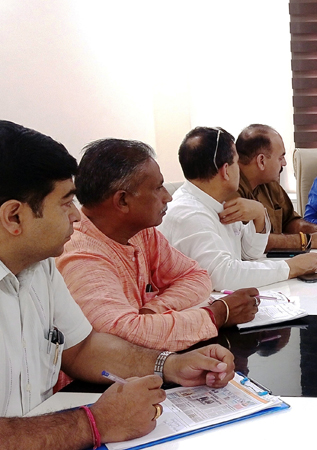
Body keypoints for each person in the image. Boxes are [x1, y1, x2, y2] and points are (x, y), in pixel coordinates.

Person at [0, 120, 237, 449]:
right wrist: (95, 422)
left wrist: (170, 365)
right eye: (66, 203)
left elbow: (82, 348)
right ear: (14, 217)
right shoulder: (73, 256)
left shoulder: (40, 267)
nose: (77, 217)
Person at [56, 139, 258, 352]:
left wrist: (153, 310)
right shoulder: (81, 254)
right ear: (122, 201)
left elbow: (196, 276)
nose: (168, 197)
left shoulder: (141, 232)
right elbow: (121, 336)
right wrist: (217, 314)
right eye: (158, 187)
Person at [158, 127, 317, 290]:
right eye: (236, 162)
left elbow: (250, 252)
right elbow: (223, 276)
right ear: (225, 171)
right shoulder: (190, 214)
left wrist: (260, 213)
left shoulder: (216, 201)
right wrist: (290, 267)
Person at [236, 124, 317, 250]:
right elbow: (248, 242)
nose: (284, 163)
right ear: (261, 161)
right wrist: (308, 240)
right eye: (281, 157)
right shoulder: (230, 188)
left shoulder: (269, 183)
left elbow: (289, 221)